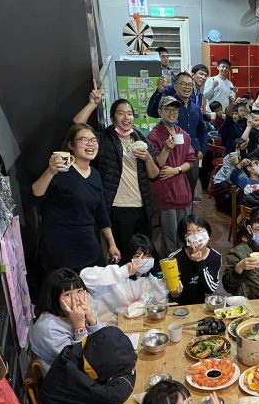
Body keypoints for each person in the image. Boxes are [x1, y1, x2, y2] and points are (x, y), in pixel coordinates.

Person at [74, 88, 160, 263]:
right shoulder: (104, 139)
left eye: (129, 114)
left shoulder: (142, 141)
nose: (126, 117)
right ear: (113, 117)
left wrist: (148, 158)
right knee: (123, 256)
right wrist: (92, 103)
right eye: (121, 113)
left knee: (145, 256)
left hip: (143, 207)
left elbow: (154, 175)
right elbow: (77, 126)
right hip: (118, 207)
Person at [32, 123, 120, 272]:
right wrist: (51, 171)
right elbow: (36, 194)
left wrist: (111, 244)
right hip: (61, 249)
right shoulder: (60, 170)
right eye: (84, 140)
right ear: (71, 145)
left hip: (88, 244)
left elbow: (101, 213)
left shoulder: (95, 174)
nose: (90, 144)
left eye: (93, 140)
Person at [80, 234, 168, 325]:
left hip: (133, 326)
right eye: (138, 256)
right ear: (128, 257)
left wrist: (168, 288)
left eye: (148, 256)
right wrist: (123, 272)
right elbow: (84, 277)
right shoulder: (115, 275)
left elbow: (160, 307)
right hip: (104, 326)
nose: (144, 260)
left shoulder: (151, 281)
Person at [29, 268, 104, 374]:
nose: (76, 299)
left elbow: (104, 341)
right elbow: (80, 363)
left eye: (79, 291)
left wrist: (91, 319)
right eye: (68, 294)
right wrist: (80, 327)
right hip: (68, 377)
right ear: (54, 298)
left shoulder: (76, 310)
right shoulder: (48, 328)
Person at [148, 71, 208, 202]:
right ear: (175, 86)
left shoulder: (195, 108)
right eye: (183, 84)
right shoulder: (170, 104)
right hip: (171, 156)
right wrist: (159, 91)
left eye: (190, 85)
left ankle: (188, 214)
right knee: (170, 192)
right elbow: (152, 111)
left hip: (191, 157)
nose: (187, 87)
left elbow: (202, 130)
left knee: (190, 192)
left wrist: (202, 149)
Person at [146, 95, 195, 254]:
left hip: (183, 191)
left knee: (184, 233)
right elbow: (156, 165)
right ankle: (170, 266)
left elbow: (190, 160)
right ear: (160, 111)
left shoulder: (184, 135)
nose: (172, 113)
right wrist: (167, 148)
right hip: (165, 191)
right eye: (168, 109)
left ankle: (183, 264)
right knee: (169, 236)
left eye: (175, 110)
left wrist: (176, 170)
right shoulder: (153, 136)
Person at [169, 215, 222, 306]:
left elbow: (211, 289)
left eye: (199, 230)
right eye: (190, 233)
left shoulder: (215, 256)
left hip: (202, 305)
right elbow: (170, 293)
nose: (197, 236)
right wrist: (174, 293)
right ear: (184, 238)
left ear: (207, 232)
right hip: (178, 305)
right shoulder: (175, 258)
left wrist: (200, 262)